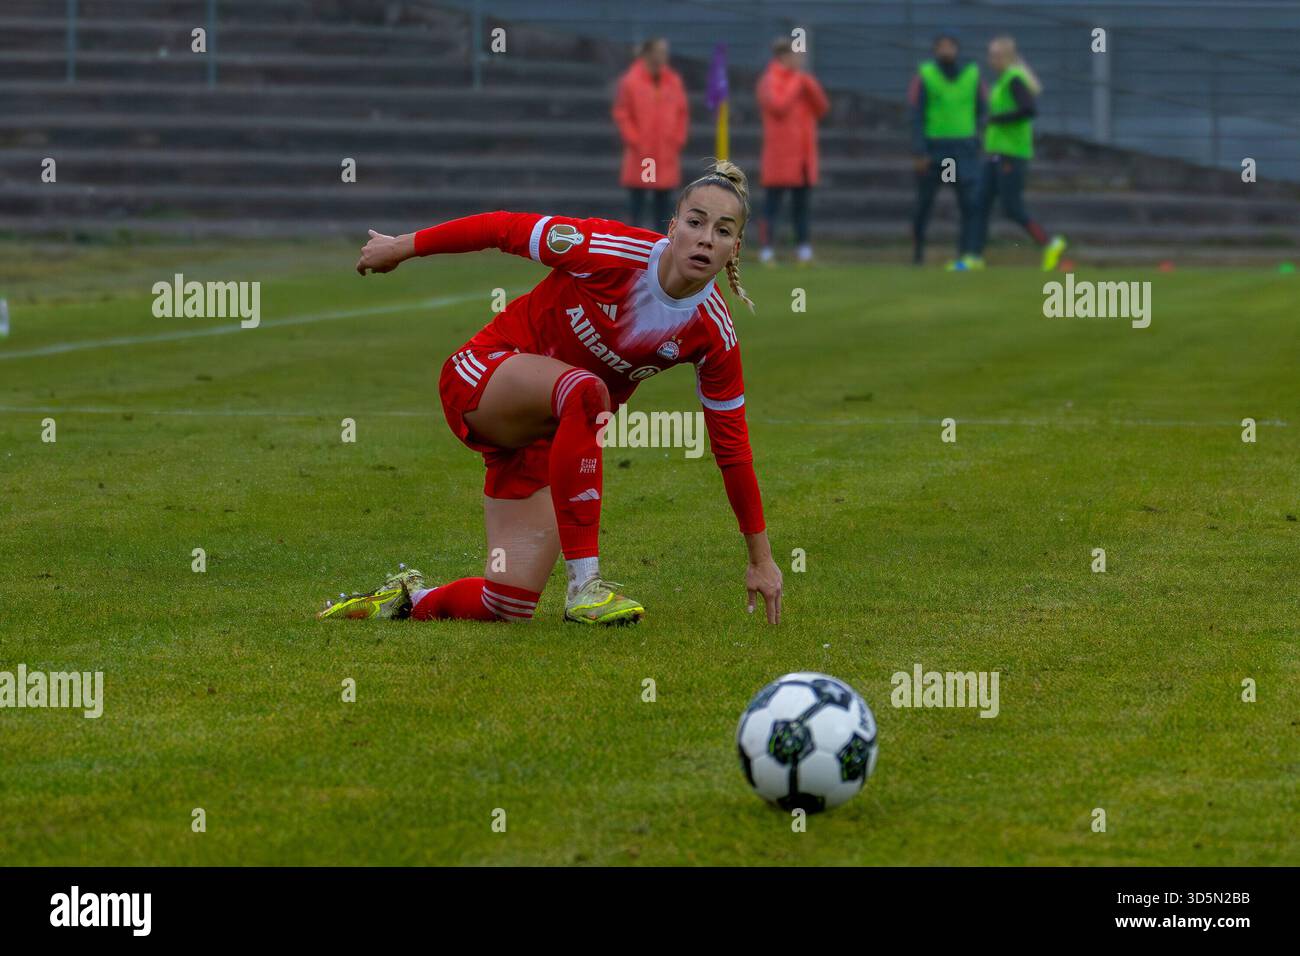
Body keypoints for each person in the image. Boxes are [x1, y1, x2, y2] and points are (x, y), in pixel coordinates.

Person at [322, 161, 783, 626]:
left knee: (507, 605)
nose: (705, 238)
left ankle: (406, 599)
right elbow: (501, 228)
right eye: (695, 221)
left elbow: (733, 449)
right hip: (482, 376)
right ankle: (586, 586)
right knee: (586, 390)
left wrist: (761, 559)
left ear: (735, 247)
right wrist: (400, 247)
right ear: (672, 226)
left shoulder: (712, 332)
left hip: (549, 439)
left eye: (722, 231)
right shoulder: (608, 249)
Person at [965, 36, 1067, 271]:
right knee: (980, 203)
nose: (992, 60)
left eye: (997, 55)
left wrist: (995, 119)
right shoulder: (1002, 82)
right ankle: (974, 257)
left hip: (1011, 154)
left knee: (1011, 207)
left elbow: (1029, 110)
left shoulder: (1013, 80)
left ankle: (1050, 243)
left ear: (1008, 58)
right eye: (991, 55)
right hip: (996, 153)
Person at [907, 31, 985, 268]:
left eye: (950, 46)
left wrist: (977, 138)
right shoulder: (926, 75)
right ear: (935, 51)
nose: (946, 51)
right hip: (935, 151)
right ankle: (918, 252)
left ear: (957, 50)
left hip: (963, 149)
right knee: (924, 203)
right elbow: (916, 114)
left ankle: (966, 254)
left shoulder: (972, 75)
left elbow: (982, 109)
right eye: (941, 47)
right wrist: (919, 150)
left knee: (969, 203)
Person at [756, 37, 829, 266]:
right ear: (784, 57)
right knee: (772, 208)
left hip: (803, 157)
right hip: (779, 157)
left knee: (802, 207)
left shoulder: (802, 81)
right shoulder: (770, 80)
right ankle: (766, 250)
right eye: (796, 56)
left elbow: (822, 107)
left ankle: (804, 250)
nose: (800, 60)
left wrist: (809, 84)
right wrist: (798, 82)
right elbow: (778, 106)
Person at [612, 38, 689, 233]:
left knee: (662, 206)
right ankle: (633, 249)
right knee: (638, 202)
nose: (664, 56)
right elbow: (622, 113)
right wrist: (635, 140)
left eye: (665, 51)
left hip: (664, 153)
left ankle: (660, 250)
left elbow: (682, 112)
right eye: (660, 51)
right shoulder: (631, 81)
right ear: (648, 53)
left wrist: (677, 139)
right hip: (642, 154)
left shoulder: (673, 81)